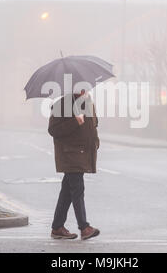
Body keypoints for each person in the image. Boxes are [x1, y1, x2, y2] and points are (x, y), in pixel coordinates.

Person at [48, 90, 100, 240]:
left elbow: (93, 126)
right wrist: (74, 122)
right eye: (80, 86)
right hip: (70, 154)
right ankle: (84, 227)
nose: (84, 90)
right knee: (77, 189)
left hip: (83, 153)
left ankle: (57, 227)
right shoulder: (61, 105)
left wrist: (96, 142)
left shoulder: (89, 102)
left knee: (67, 192)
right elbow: (53, 130)